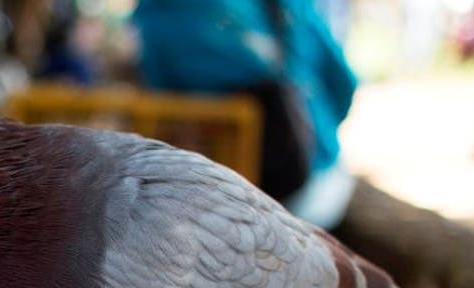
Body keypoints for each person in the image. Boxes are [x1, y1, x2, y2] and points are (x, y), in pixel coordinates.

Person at [132, 0, 357, 229]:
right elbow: (344, 84)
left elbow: (160, 101)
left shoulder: (158, 11)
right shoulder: (290, 5)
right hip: (317, 183)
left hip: (221, 201)